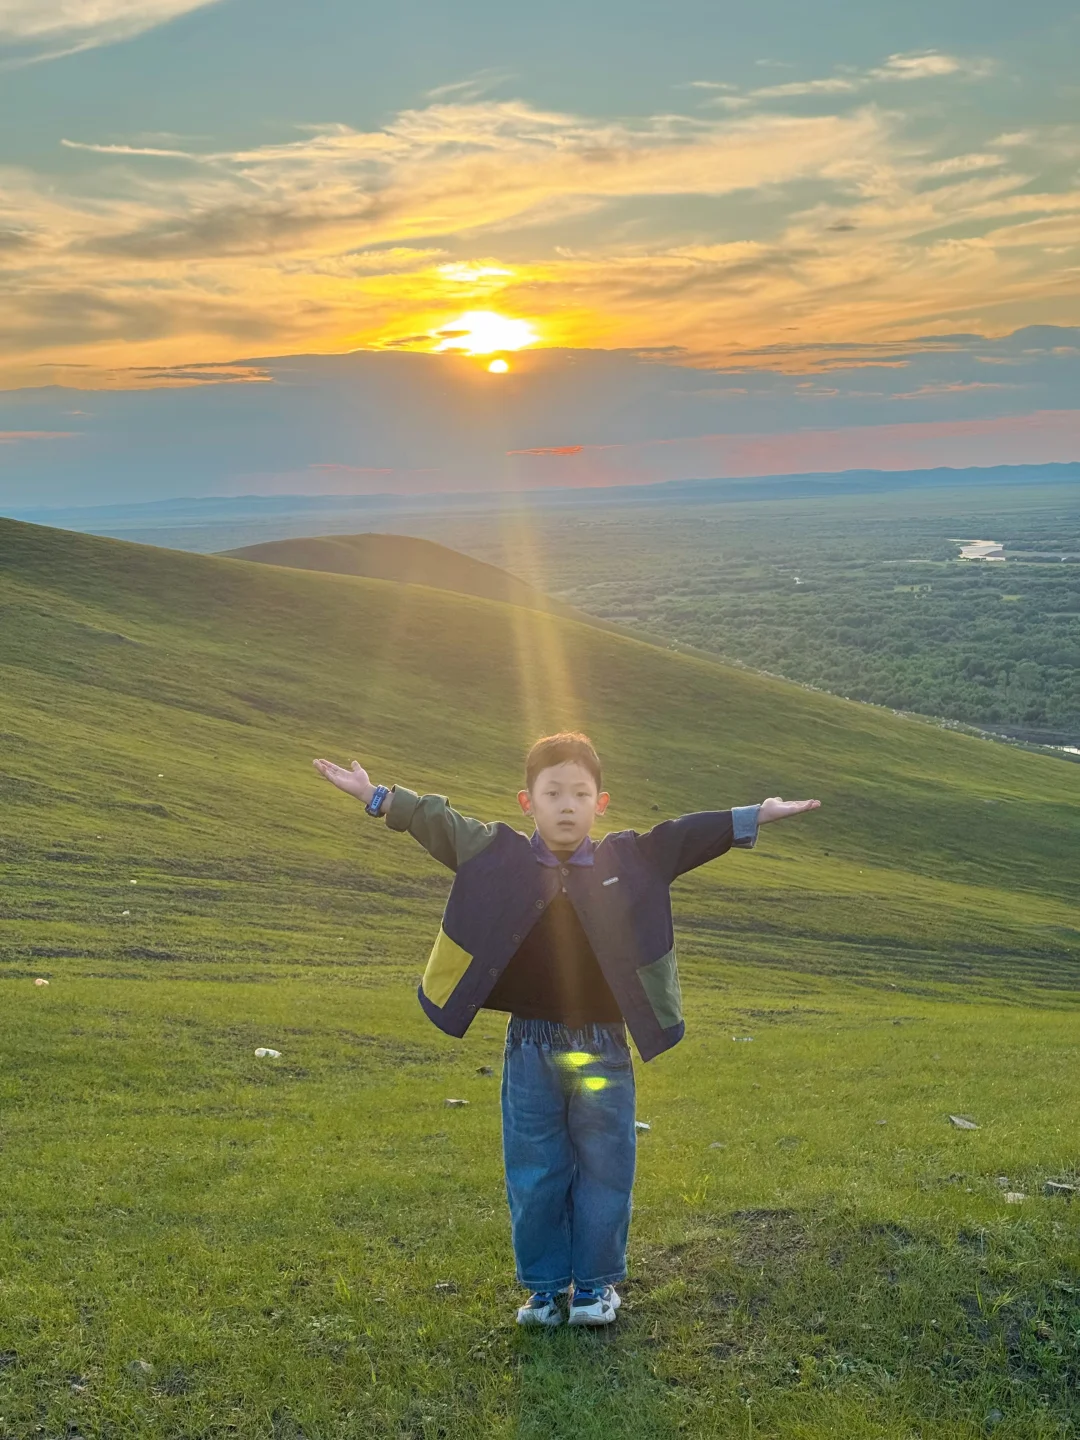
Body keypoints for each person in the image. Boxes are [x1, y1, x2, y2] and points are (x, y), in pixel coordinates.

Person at [313, 732, 820, 1328]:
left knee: (606, 1166)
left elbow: (684, 836)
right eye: (553, 792)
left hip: (603, 1046)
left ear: (601, 803)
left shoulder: (630, 858)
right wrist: (376, 797)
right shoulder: (498, 853)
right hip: (529, 1046)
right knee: (534, 1168)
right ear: (527, 802)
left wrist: (753, 816)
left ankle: (592, 1291)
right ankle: (546, 1290)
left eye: (581, 793)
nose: (567, 804)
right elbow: (440, 822)